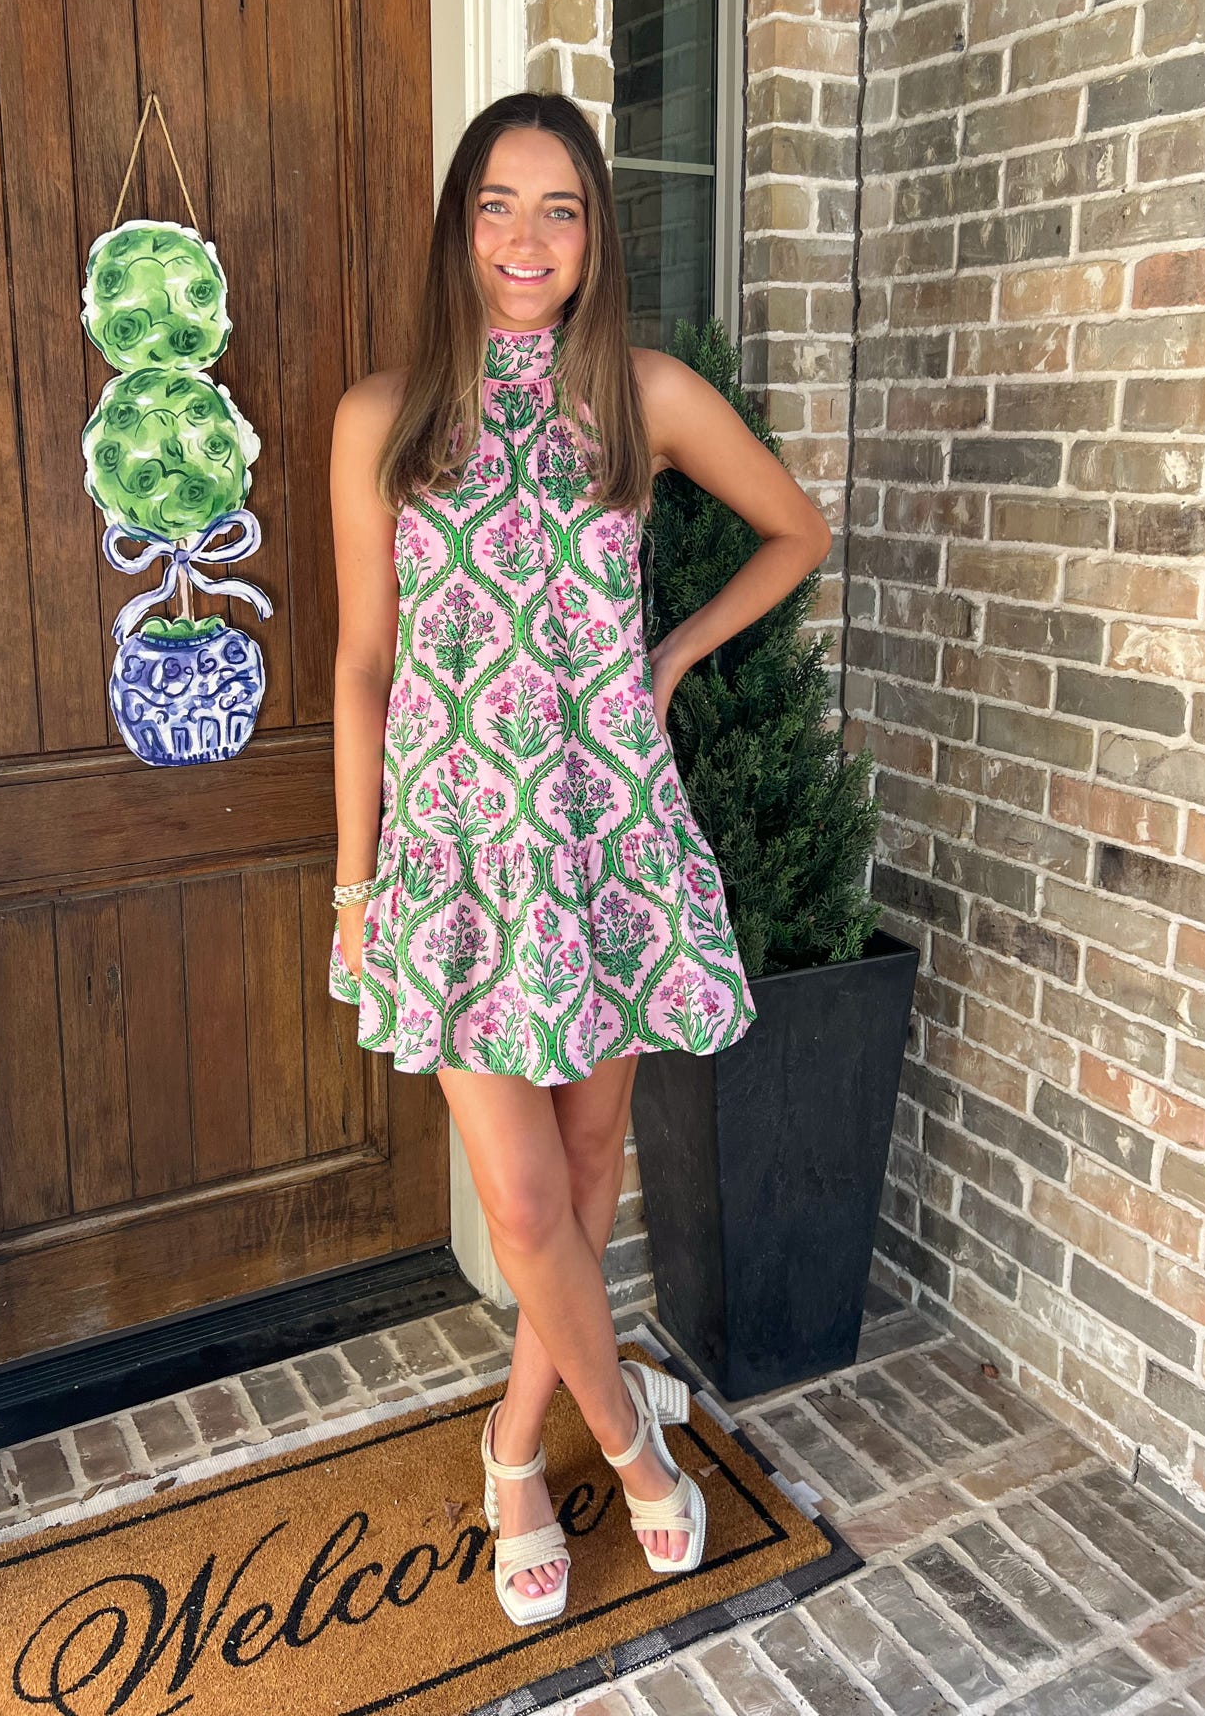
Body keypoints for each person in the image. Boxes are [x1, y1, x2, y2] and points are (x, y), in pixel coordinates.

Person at [326, 90, 831, 1626]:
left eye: (560, 207)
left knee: (595, 1165)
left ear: (597, 230)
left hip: (604, 830)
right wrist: (355, 885)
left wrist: (668, 663)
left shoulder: (647, 396)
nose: (527, 237)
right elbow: (362, 664)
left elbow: (796, 532)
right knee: (531, 1206)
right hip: (460, 852)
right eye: (496, 202)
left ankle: (512, 1445)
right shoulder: (383, 416)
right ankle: (627, 1446)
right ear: (457, 226)